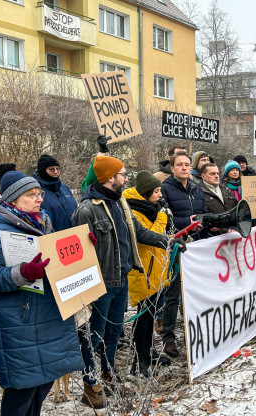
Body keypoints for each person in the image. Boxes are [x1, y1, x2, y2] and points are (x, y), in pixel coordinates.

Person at [73, 156, 185, 409]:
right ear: (109, 177)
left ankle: (108, 375)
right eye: (122, 174)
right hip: (101, 284)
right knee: (94, 335)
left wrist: (169, 242)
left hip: (121, 279)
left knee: (113, 333)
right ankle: (90, 385)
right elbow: (79, 256)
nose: (126, 178)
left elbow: (139, 233)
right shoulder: (86, 210)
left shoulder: (120, 203)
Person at [0, 171, 83, 416]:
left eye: (39, 193)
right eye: (31, 195)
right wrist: (23, 273)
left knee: (43, 384)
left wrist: (82, 246)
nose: (39, 199)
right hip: (18, 320)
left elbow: (56, 257)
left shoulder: (43, 221)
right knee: (22, 391)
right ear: (13, 199)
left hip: (47, 315)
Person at [123, 171, 172, 377]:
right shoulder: (133, 212)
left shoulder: (151, 208)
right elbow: (150, 234)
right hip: (142, 271)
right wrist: (162, 216)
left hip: (156, 269)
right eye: (157, 191)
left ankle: (149, 351)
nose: (160, 195)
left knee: (151, 315)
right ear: (146, 193)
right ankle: (139, 360)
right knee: (143, 318)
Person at [161, 151, 207, 359]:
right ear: (172, 168)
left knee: (196, 290)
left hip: (196, 246)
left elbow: (202, 212)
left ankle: (195, 329)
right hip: (176, 246)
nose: (184, 168)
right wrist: (186, 223)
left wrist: (205, 224)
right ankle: (168, 337)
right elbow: (164, 220)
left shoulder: (197, 189)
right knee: (173, 294)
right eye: (179, 164)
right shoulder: (165, 189)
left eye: (187, 164)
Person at [33, 154, 78, 232]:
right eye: (51, 169)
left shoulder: (64, 187)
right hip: (54, 237)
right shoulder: (36, 191)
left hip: (76, 234)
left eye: (57, 169)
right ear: (42, 171)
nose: (56, 172)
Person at [201, 163, 238, 229]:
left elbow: (237, 210)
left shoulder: (226, 190)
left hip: (232, 230)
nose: (216, 176)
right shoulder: (198, 192)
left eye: (217, 173)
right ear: (203, 176)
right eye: (212, 174)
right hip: (213, 233)